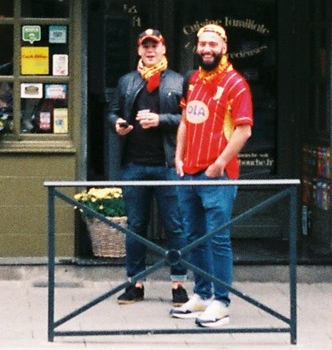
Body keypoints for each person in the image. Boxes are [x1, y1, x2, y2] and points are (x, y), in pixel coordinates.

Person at [171, 23, 254, 328]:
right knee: (193, 237)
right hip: (189, 172)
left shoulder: (236, 84)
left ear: (224, 47)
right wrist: (178, 156)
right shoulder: (192, 80)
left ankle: (221, 302)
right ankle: (202, 294)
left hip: (217, 176)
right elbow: (184, 121)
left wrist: (218, 164)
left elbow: (244, 130)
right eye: (202, 44)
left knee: (218, 239)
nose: (206, 49)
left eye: (212, 44)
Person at [109, 29, 189, 304]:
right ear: (139, 50)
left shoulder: (179, 81)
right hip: (134, 164)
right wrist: (117, 124)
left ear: (164, 49)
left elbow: (189, 118)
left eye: (155, 46)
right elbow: (113, 111)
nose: (150, 51)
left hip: (168, 165)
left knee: (175, 227)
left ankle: (178, 284)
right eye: (145, 47)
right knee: (136, 226)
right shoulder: (127, 81)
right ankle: (135, 283)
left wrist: (160, 119)